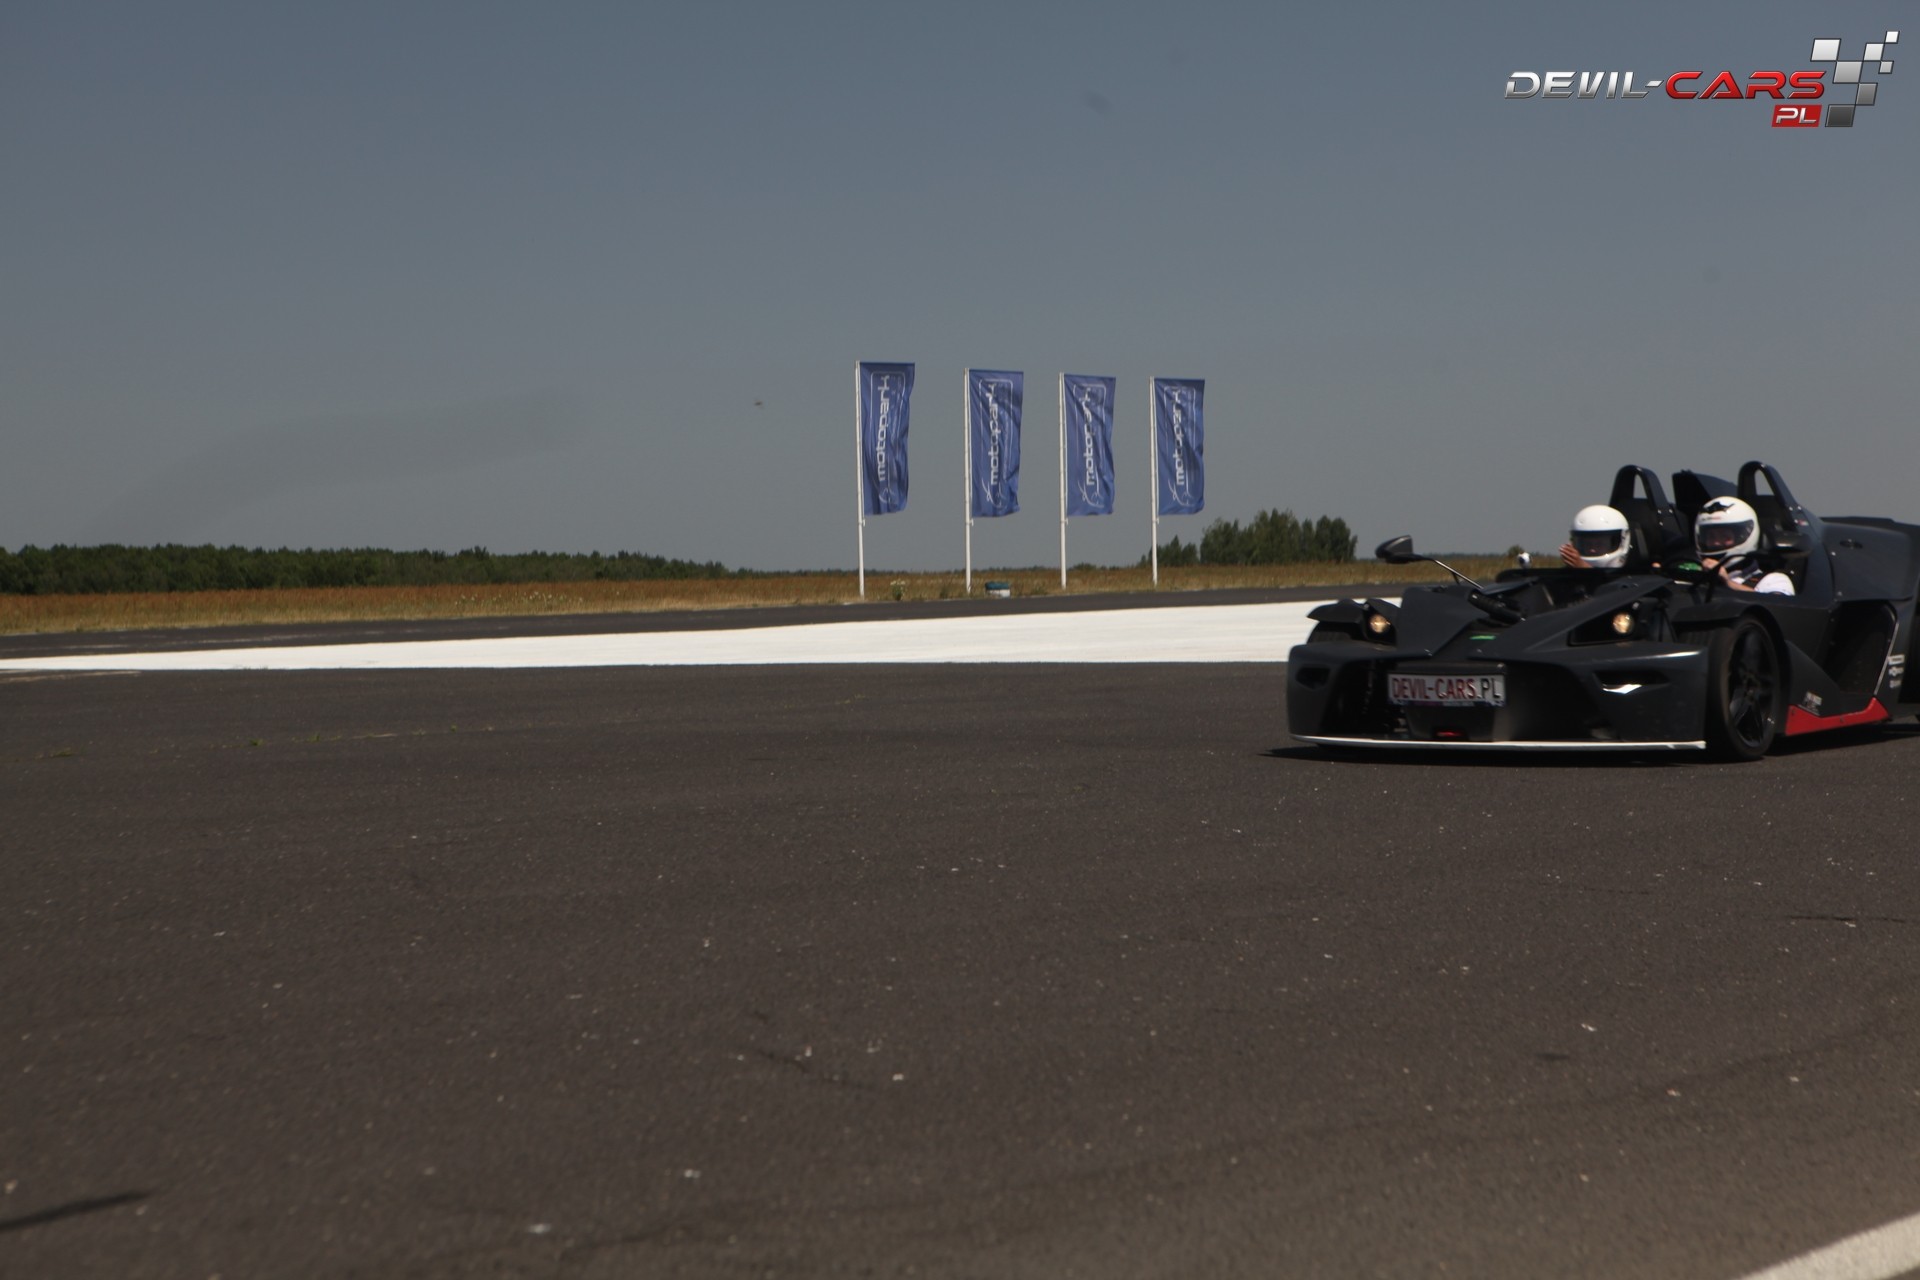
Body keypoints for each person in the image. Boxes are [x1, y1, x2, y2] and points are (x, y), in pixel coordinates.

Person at [1694, 496, 1794, 595]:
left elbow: (1776, 603)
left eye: (1725, 536)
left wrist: (1727, 583)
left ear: (1743, 536)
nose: (1716, 543)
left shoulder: (1774, 580)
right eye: (1711, 536)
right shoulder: (1694, 577)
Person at [1559, 505, 1631, 569]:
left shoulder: (1632, 575)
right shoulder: (1565, 576)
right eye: (1587, 544)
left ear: (1623, 541)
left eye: (1600, 544)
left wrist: (1584, 570)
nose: (1592, 550)